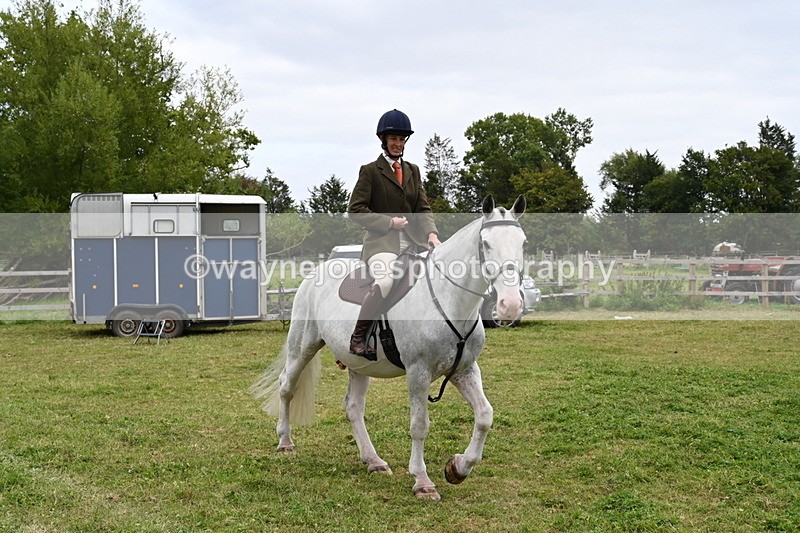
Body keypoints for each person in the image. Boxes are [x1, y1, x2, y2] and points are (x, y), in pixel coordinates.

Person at [347, 109, 442, 360]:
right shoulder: (370, 171)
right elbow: (355, 210)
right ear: (384, 140)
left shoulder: (413, 170)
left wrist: (431, 233)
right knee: (386, 281)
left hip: (413, 245)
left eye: (401, 139)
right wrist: (389, 223)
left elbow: (422, 208)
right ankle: (358, 338)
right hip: (381, 245)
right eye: (393, 139)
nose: (398, 144)